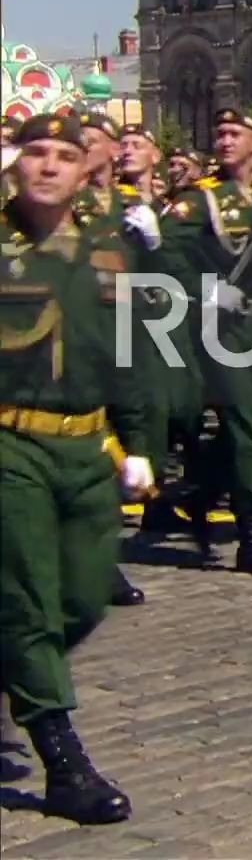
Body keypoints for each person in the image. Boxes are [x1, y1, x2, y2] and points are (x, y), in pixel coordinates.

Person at [0, 112, 144, 823]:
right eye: (36, 153)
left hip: (88, 445)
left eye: (65, 154)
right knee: (26, 599)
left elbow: (126, 348)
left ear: (86, 168)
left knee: (85, 597)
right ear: (14, 163)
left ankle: (19, 668)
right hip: (9, 444)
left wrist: (140, 443)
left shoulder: (105, 244)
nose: (50, 165)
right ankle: (63, 764)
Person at [155, 108, 252, 576]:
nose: (225, 140)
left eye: (235, 133)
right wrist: (205, 289)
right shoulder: (200, 200)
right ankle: (250, 537)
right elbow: (162, 251)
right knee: (247, 428)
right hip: (222, 329)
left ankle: (200, 492)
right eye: (220, 132)